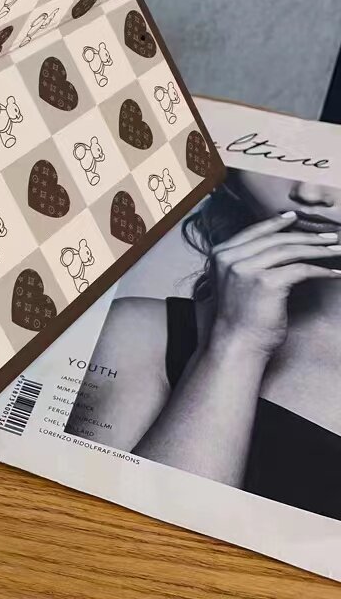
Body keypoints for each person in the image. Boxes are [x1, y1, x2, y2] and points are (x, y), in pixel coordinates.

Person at [67, 169, 341, 520]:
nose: (310, 192)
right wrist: (238, 342)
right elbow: (122, 539)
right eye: (285, 159)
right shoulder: (140, 335)